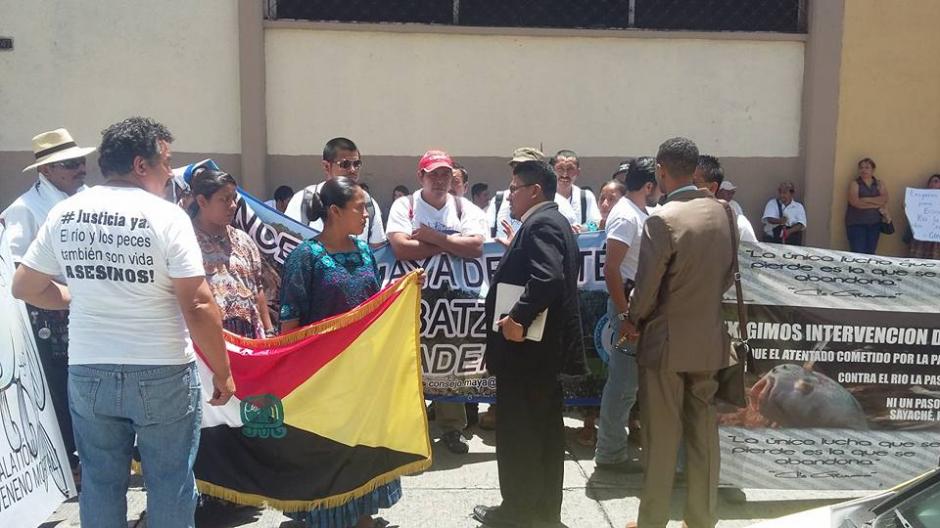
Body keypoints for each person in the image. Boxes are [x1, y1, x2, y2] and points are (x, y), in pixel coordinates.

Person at [11, 117, 235, 528]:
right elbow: (198, 304)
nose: (170, 173)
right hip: (162, 370)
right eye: (165, 162)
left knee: (99, 482)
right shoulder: (166, 217)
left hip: (89, 369)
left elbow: (25, 285)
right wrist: (223, 371)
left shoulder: (65, 213)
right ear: (140, 165)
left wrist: (73, 297)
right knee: (169, 481)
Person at [622, 137, 736, 528]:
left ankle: (652, 521)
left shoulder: (662, 219)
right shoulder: (723, 212)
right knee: (703, 435)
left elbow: (646, 289)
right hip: (709, 339)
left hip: (666, 344)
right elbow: (728, 275)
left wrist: (632, 319)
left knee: (661, 439)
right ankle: (702, 519)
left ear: (661, 169)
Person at [279, 177, 400, 528]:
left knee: (362, 445)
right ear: (334, 211)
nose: (367, 214)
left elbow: (374, 305)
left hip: (363, 372)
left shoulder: (363, 251)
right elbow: (290, 320)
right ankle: (327, 518)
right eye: (360, 208)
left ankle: (362, 515)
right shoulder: (305, 257)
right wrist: (298, 373)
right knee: (328, 449)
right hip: (323, 374)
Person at [474, 160, 585, 528]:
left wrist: (518, 318)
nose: (509, 197)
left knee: (520, 434)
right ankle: (543, 513)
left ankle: (518, 512)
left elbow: (547, 278)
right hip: (541, 355)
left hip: (527, 354)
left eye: (514, 188)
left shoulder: (541, 224)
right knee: (544, 434)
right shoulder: (551, 222)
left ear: (534, 190)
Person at [0, 127, 95, 479]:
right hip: (50, 315)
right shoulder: (25, 209)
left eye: (80, 161)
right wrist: (67, 295)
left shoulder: (89, 198)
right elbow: (16, 270)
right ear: (46, 170)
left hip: (91, 309)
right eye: (70, 164)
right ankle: (69, 463)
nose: (80, 168)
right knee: (60, 389)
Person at [386, 150, 486, 454]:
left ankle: (452, 428)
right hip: (412, 299)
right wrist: (450, 244)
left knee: (447, 363)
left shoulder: (463, 207)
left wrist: (431, 237)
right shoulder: (405, 206)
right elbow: (401, 248)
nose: (440, 180)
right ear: (421, 177)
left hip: (451, 301)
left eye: (445, 174)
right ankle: (408, 427)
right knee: (408, 361)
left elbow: (475, 247)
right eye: (434, 174)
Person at [594, 157, 660, 474]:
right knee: (622, 386)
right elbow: (612, 269)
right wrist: (624, 316)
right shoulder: (625, 216)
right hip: (629, 310)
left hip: (640, 309)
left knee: (629, 386)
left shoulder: (639, 212)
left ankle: (613, 449)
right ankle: (610, 452)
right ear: (648, 186)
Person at [190, 169, 274, 339]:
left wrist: (269, 331)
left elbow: (257, 287)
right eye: (224, 199)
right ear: (202, 201)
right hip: (209, 340)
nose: (233, 205)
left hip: (250, 338)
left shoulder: (243, 240)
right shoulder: (186, 242)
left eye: (234, 198)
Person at [284, 137, 386, 248]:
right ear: (326, 166)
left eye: (356, 164)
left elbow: (377, 249)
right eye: (345, 164)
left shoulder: (368, 203)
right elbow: (287, 244)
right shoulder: (303, 200)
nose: (353, 169)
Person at [491, 148, 578, 240]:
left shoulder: (562, 206)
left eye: (527, 168)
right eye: (516, 167)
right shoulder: (498, 200)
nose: (520, 171)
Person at [693, 155, 759, 243]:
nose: (685, 189)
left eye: (694, 183)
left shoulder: (739, 225)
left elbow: (750, 250)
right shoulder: (677, 220)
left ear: (712, 188)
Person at [846, 157, 890, 254]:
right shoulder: (855, 184)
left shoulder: (879, 184)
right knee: (858, 252)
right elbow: (855, 203)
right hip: (857, 224)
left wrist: (866, 199)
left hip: (875, 223)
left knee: (870, 252)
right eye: (861, 168)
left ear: (873, 170)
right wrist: (875, 204)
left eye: (867, 168)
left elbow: (884, 199)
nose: (864, 170)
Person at [551, 149, 601, 230]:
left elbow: (597, 223)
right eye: (560, 169)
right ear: (553, 171)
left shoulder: (586, 196)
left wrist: (583, 228)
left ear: (578, 172)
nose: (565, 174)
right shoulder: (545, 197)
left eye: (570, 169)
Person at [905, 174, 940, 259]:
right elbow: (911, 210)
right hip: (920, 233)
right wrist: (906, 206)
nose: (933, 183)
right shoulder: (919, 197)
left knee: (934, 258)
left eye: (936, 181)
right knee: (917, 257)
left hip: (935, 234)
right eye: (931, 181)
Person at [761, 181, 806, 245]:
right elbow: (769, 219)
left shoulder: (798, 207)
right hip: (773, 240)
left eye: (784, 193)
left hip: (792, 240)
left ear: (792, 193)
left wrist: (788, 232)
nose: (782, 195)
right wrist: (780, 221)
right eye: (780, 192)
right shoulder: (772, 203)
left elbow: (801, 224)